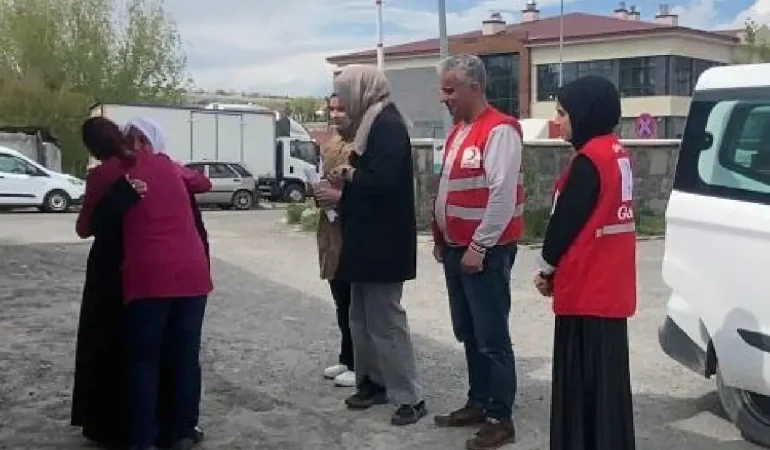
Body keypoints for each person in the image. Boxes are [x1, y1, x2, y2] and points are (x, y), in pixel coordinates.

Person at [76, 117, 213, 450]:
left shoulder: (105, 174)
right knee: (185, 356)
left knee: (143, 360)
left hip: (149, 275)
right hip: (193, 272)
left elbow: (84, 228)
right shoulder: (168, 164)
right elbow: (202, 184)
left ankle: (143, 439)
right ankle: (182, 431)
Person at [532, 75, 637, 450]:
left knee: (582, 386)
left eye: (563, 112)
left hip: (587, 289)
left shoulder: (589, 160)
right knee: (608, 386)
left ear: (585, 113)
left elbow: (565, 224)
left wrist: (546, 269)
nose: (558, 121)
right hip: (610, 289)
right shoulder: (616, 152)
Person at [431, 54, 525, 450]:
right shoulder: (458, 132)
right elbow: (449, 189)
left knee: (491, 337)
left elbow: (502, 197)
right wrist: (440, 236)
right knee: (468, 331)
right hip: (455, 250)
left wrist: (479, 245)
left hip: (483, 252)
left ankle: (499, 417)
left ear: (475, 87)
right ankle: (478, 400)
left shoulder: (500, 131)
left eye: (450, 90)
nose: (444, 98)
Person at [327, 64, 426, 426]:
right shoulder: (369, 123)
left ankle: (410, 397)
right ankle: (374, 382)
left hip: (384, 241)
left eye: (346, 90)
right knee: (361, 317)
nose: (343, 99)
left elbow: (382, 180)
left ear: (362, 89)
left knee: (386, 320)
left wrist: (349, 174)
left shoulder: (387, 126)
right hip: (365, 238)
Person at [71, 117, 144, 449]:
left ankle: (103, 421)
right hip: (143, 256)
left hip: (107, 266)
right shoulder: (142, 165)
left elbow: (84, 228)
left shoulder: (100, 175)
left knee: (102, 340)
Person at [314, 93, 356, 388]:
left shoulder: (362, 145)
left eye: (342, 109)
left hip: (353, 232)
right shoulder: (331, 144)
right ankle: (347, 355)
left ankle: (359, 362)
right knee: (341, 300)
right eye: (332, 109)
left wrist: (340, 197)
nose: (336, 114)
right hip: (331, 230)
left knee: (356, 303)